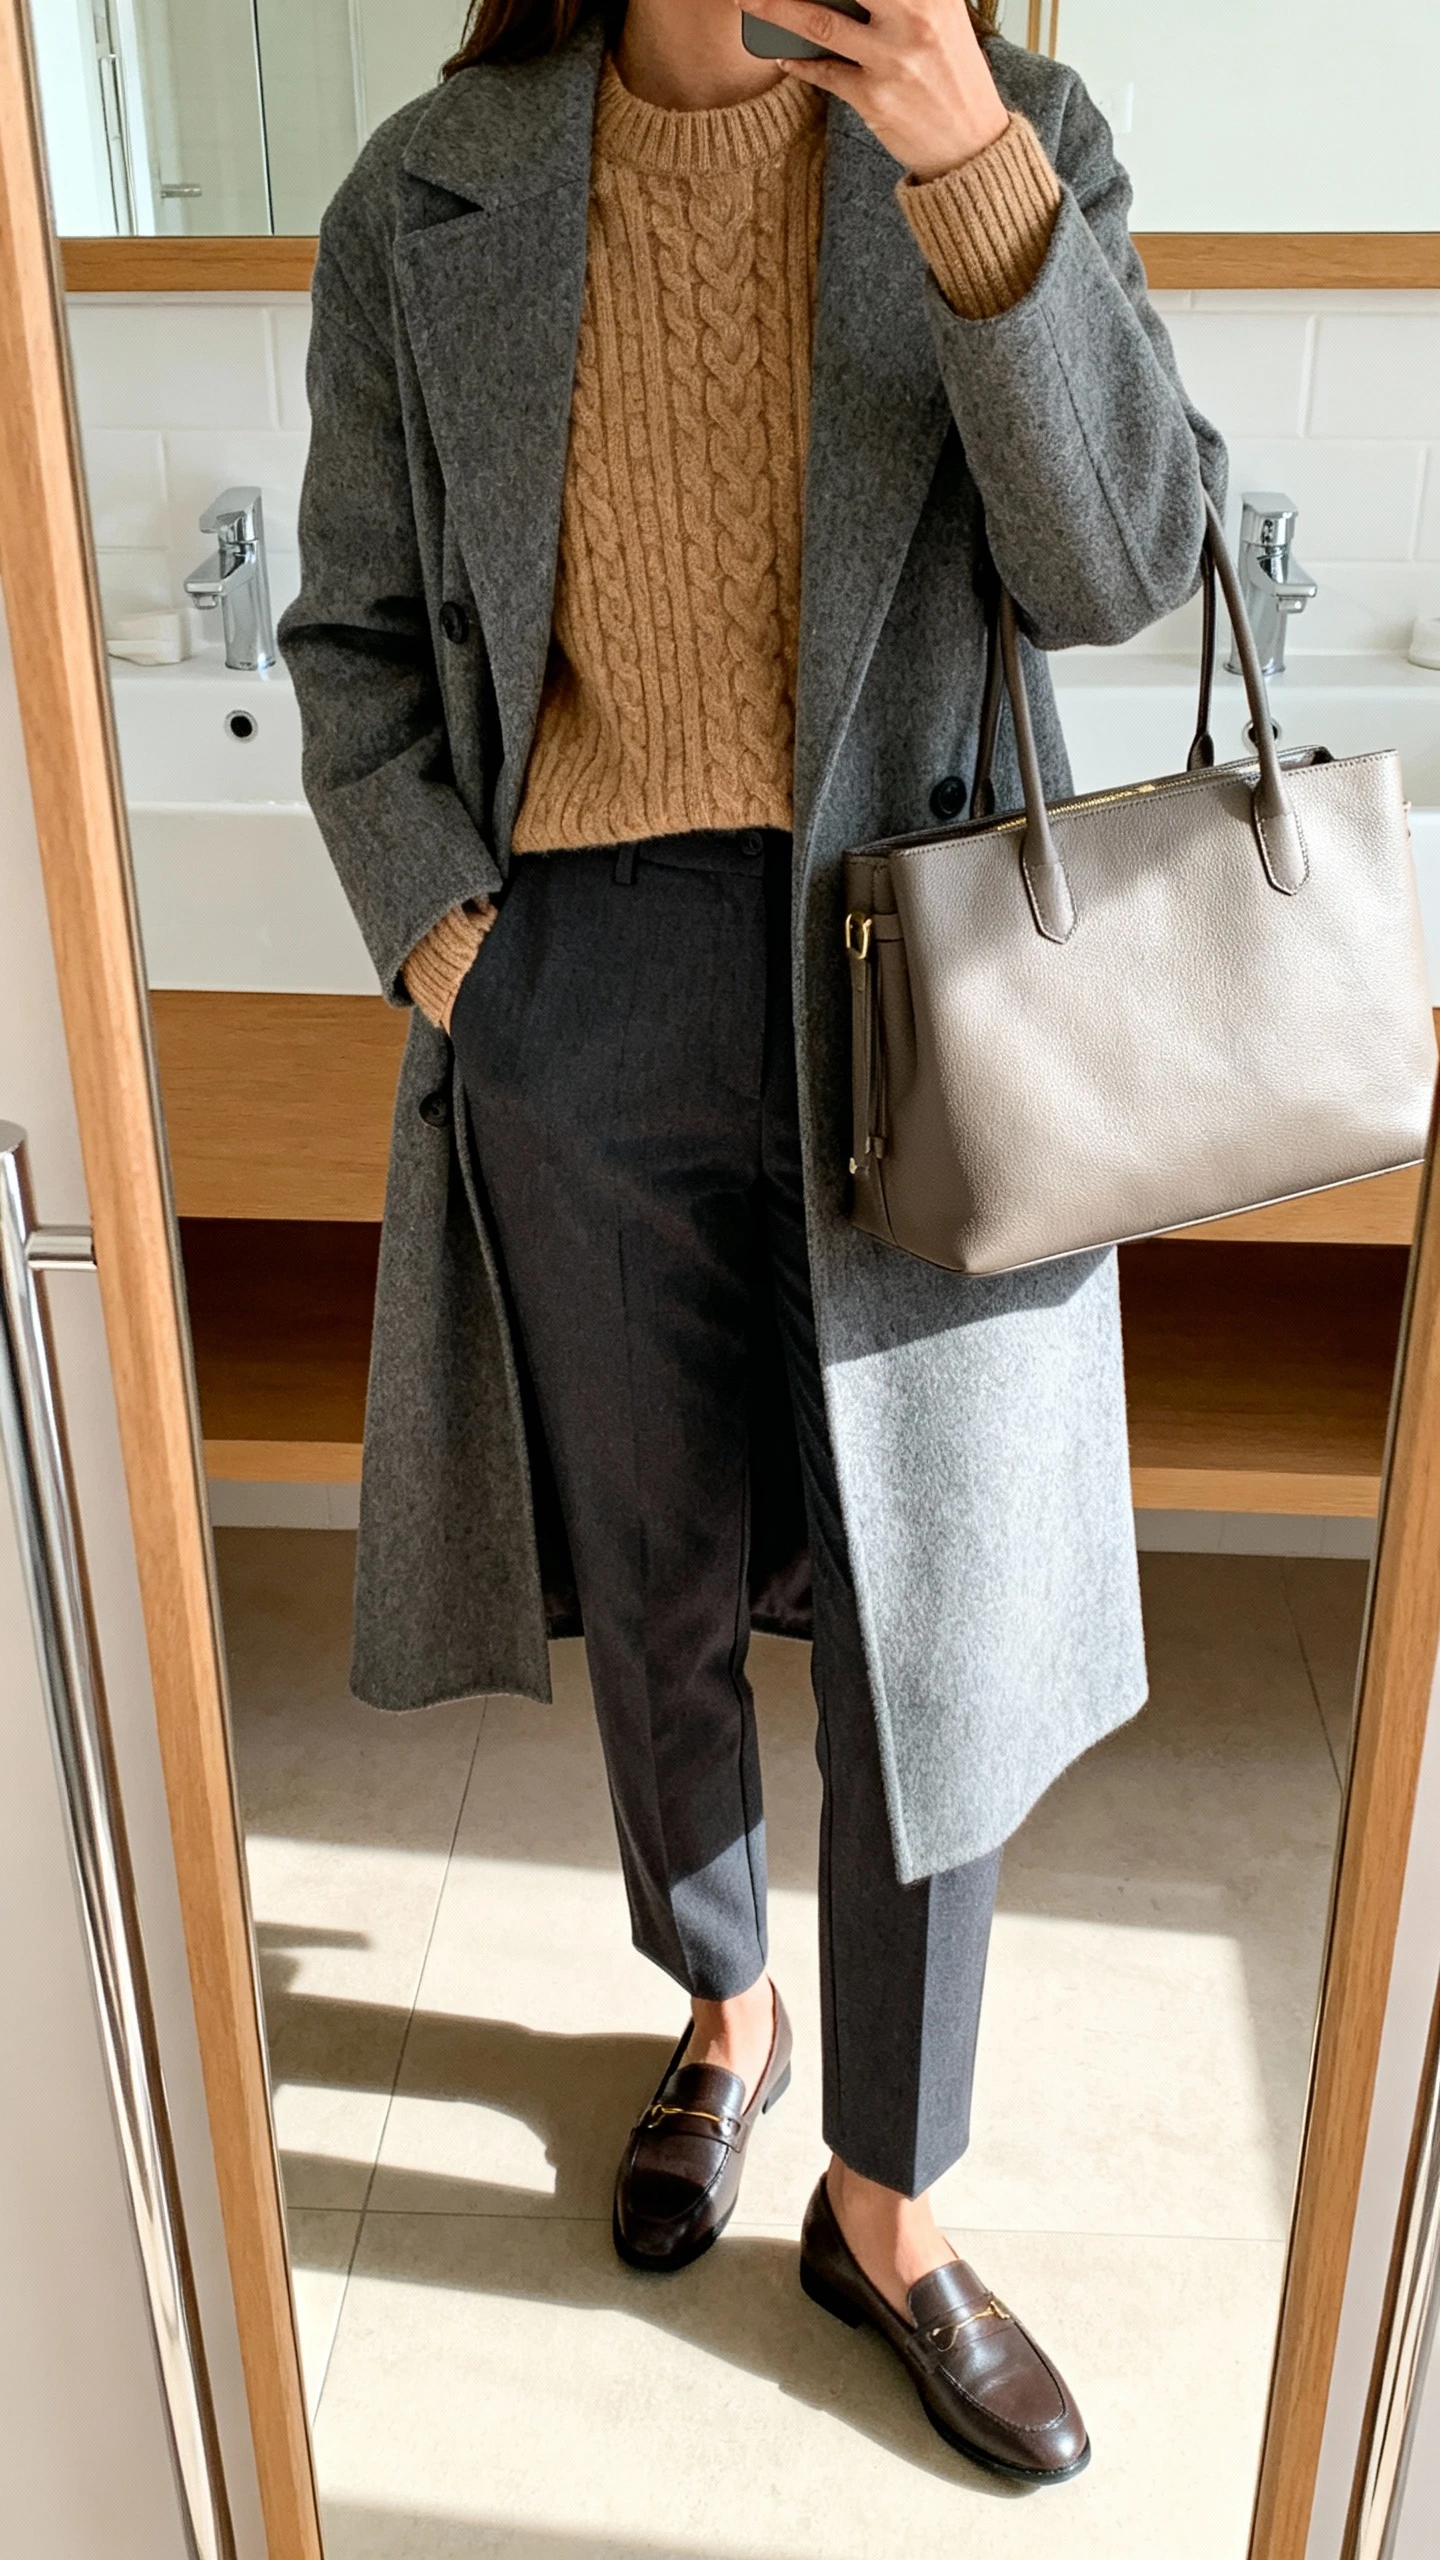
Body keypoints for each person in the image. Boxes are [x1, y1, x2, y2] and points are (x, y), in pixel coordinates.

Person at [281, 0, 1224, 2486]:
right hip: (575, 990)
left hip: (918, 984)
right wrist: (464, 961)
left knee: (938, 1614)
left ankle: (889, 2200)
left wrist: (967, 170)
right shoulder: (425, 192)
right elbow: (351, 646)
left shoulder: (1011, 142)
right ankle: (722, 2005)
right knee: (658, 1573)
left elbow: (1129, 567)